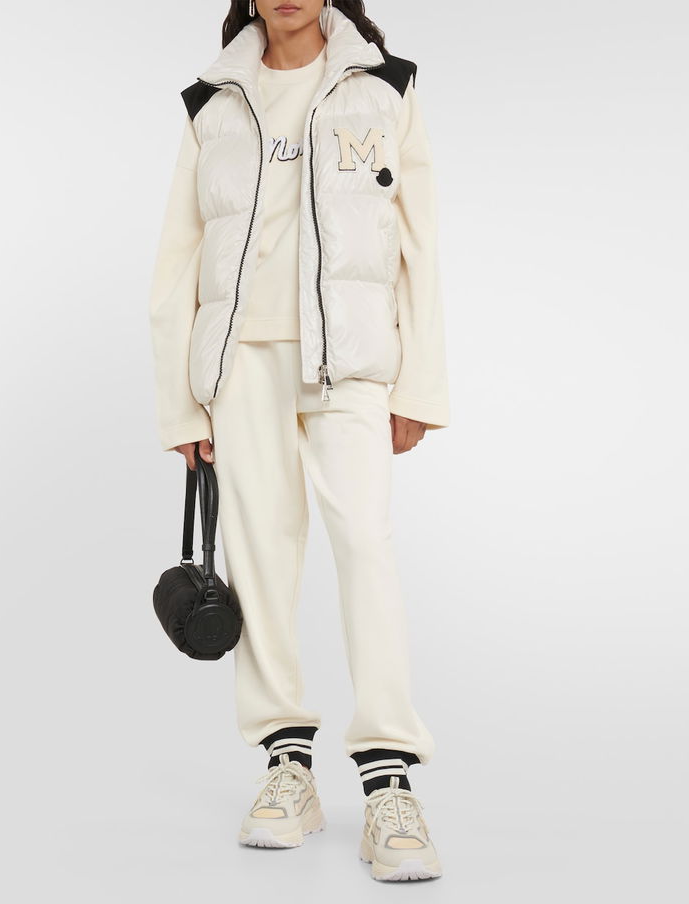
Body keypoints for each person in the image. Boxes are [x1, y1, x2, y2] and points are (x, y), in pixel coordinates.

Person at [148, 0, 448, 882]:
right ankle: (286, 765)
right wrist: (182, 404)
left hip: (350, 362)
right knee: (260, 559)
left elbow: (421, 244)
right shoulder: (212, 101)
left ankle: (389, 775)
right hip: (240, 364)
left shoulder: (385, 88)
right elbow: (177, 258)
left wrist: (419, 385)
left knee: (366, 545)